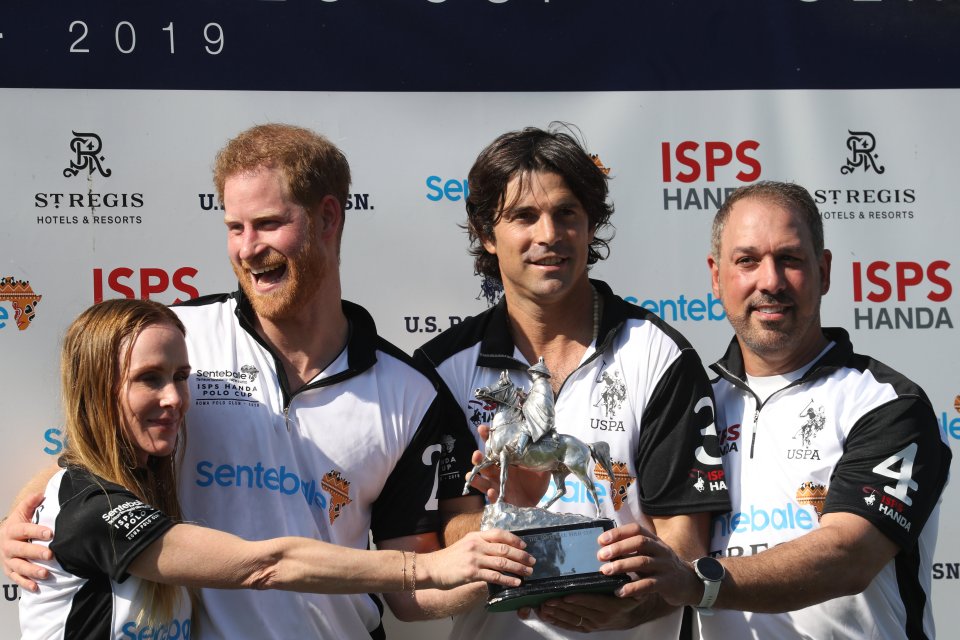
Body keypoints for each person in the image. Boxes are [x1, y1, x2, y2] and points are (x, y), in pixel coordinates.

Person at [3, 123, 500, 639]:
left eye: (267, 223)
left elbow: (412, 595)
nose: (247, 248)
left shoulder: (410, 391)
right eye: (234, 227)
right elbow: (91, 456)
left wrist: (513, 573)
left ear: (328, 217)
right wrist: (21, 522)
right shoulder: (176, 338)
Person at [21, 298, 535, 639]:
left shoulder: (142, 486)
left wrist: (534, 558)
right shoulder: (87, 507)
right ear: (95, 389)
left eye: (181, 376)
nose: (175, 398)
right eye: (148, 379)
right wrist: (426, 567)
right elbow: (265, 565)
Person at [596, 181, 952, 639]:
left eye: (790, 259)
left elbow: (848, 556)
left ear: (823, 271)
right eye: (747, 261)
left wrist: (700, 582)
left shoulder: (888, 403)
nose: (770, 281)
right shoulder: (684, 408)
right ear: (716, 276)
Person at [414, 125, 731, 639]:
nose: (549, 235)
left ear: (590, 226)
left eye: (566, 214)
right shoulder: (441, 369)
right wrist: (512, 516)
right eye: (523, 216)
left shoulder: (658, 356)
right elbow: (438, 542)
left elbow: (686, 545)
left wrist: (632, 604)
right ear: (486, 235)